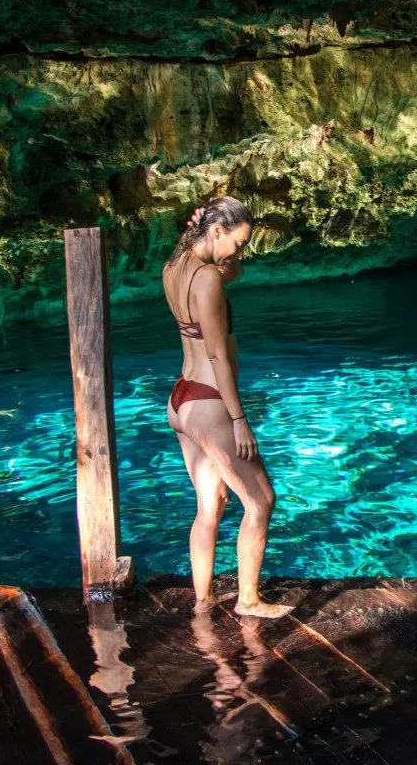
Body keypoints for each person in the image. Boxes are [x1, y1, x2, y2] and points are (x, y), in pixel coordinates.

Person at [162, 196, 292, 619]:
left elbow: (215, 278)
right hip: (209, 401)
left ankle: (202, 601)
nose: (241, 253)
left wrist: (216, 254)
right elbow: (218, 356)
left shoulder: (175, 266)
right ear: (216, 232)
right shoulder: (208, 279)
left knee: (210, 505)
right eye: (238, 244)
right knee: (260, 501)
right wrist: (240, 421)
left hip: (181, 398)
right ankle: (249, 601)